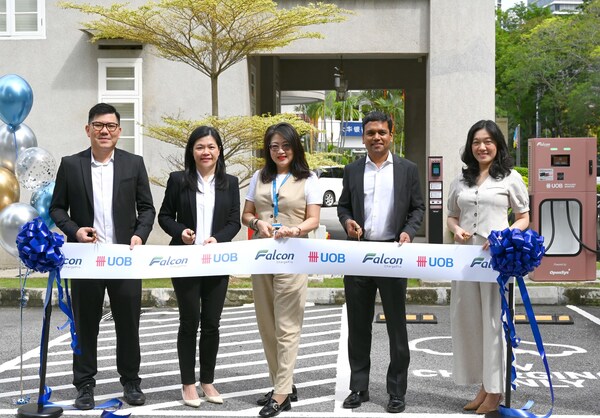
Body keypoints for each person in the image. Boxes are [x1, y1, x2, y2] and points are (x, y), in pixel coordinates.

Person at [50, 103, 156, 410]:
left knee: (128, 323)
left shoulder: (133, 164)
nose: (105, 131)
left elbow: (146, 208)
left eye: (110, 126)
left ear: (119, 131)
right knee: (85, 324)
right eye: (98, 125)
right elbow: (57, 207)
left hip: (123, 257)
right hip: (86, 259)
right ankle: (84, 385)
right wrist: (75, 230)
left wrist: (140, 234)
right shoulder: (71, 165)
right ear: (88, 129)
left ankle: (131, 382)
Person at [337, 110, 425, 414]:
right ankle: (358, 387)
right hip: (359, 255)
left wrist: (407, 232)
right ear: (363, 136)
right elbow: (343, 206)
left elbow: (417, 209)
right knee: (358, 326)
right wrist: (348, 221)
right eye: (371, 132)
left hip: (392, 255)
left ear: (392, 135)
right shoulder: (351, 170)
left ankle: (397, 391)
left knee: (396, 327)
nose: (376, 137)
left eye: (382, 132)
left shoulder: (407, 169)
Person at [447, 120, 530, 414]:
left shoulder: (510, 178)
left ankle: (495, 391)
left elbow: (523, 217)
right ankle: (483, 385)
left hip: (496, 261)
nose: (482, 147)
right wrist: (456, 230)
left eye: (488, 142)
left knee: (494, 323)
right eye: (476, 142)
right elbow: (452, 216)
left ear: (497, 145)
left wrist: (504, 236)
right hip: (466, 260)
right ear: (470, 147)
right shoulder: (461, 180)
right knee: (469, 321)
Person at [241, 122, 321, 418]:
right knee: (267, 324)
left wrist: (295, 229)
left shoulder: (307, 178)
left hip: (293, 255)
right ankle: (282, 382)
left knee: (287, 325)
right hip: (262, 256)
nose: (280, 151)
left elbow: (313, 219)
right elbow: (246, 213)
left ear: (294, 147)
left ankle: (281, 393)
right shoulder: (259, 177)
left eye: (285, 146)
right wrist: (256, 223)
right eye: (274, 146)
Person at [158, 126, 240, 408]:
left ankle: (207, 380)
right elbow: (165, 216)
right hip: (185, 261)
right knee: (189, 322)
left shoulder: (230, 182)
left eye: (211, 147)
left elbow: (234, 221)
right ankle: (188, 383)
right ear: (191, 151)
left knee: (212, 324)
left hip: (216, 261)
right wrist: (181, 231)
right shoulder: (178, 180)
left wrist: (219, 238)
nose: (206, 152)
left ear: (219, 150)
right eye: (200, 147)